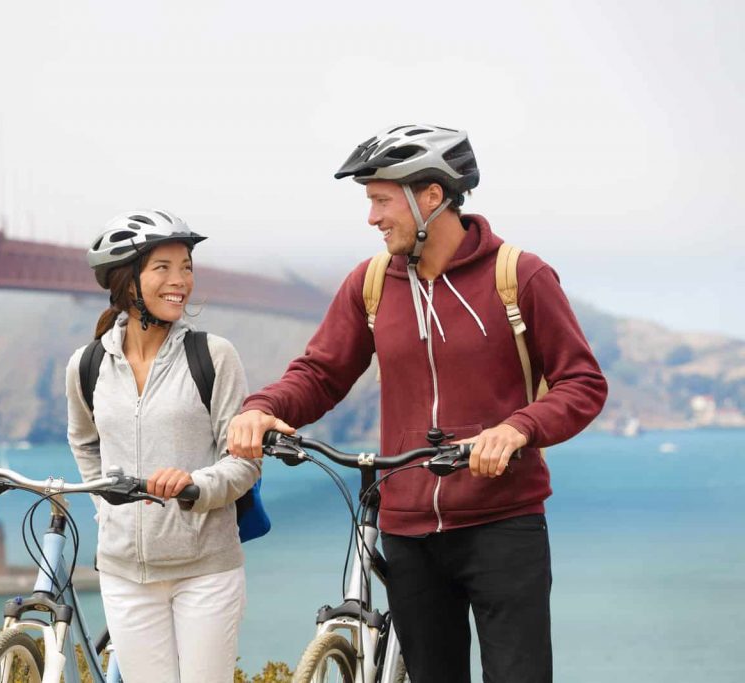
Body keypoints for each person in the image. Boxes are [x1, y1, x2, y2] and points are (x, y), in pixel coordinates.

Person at [227, 125, 607, 682]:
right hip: (407, 530)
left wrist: (517, 429)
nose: (372, 218)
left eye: (382, 200)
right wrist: (262, 406)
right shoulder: (372, 283)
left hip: (502, 523)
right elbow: (321, 372)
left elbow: (582, 383)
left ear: (432, 196)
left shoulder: (520, 276)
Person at [66, 209, 260, 683]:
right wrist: (105, 507)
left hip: (205, 570)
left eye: (187, 267)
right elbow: (85, 444)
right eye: (163, 268)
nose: (181, 281)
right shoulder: (86, 365)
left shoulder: (213, 356)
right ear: (127, 282)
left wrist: (196, 485)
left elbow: (245, 462)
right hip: (123, 573)